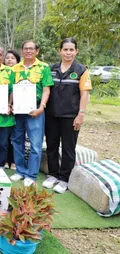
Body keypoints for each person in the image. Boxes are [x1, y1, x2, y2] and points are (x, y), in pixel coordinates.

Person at [43, 38, 92, 193]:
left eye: (71, 50)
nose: (68, 53)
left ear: (76, 51)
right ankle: (52, 175)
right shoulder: (51, 69)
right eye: (65, 49)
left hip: (71, 116)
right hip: (51, 114)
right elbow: (46, 90)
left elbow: (84, 95)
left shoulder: (82, 70)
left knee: (68, 148)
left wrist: (81, 115)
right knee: (51, 146)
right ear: (60, 51)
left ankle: (64, 179)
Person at [10, 40, 54, 187]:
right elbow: (12, 89)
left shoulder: (43, 67)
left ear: (37, 51)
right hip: (18, 109)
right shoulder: (15, 68)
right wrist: (10, 104)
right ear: (22, 51)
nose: (28, 51)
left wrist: (41, 108)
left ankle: (31, 174)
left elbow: (47, 89)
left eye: (31, 49)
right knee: (17, 141)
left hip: (35, 108)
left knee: (35, 144)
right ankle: (20, 171)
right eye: (25, 49)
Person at [4, 49, 21, 170]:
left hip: (19, 108)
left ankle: (14, 161)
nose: (9, 60)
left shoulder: (20, 72)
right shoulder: (2, 72)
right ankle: (5, 160)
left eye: (12, 58)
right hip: (3, 108)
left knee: (16, 136)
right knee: (5, 136)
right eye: (8, 58)